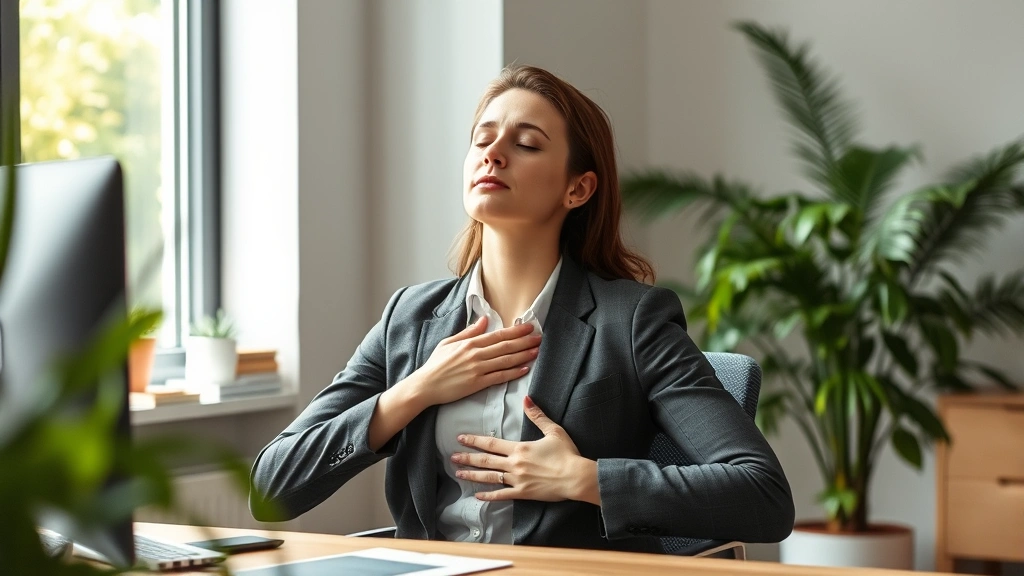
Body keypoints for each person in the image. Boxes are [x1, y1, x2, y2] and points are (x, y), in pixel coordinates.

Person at [250, 65, 794, 553]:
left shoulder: (631, 321)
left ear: (577, 188)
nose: (493, 153)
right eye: (482, 139)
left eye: (527, 143)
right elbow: (269, 489)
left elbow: (762, 494)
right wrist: (416, 391)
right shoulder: (409, 319)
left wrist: (583, 479)